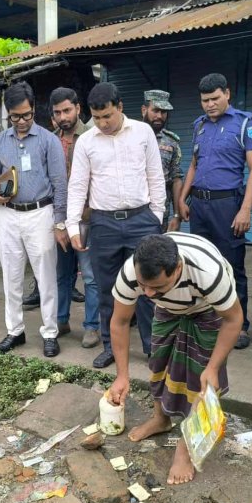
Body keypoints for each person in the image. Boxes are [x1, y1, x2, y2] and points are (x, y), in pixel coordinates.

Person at [107, 233, 242, 484]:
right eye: (143, 285)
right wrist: (122, 376)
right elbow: (120, 321)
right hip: (170, 308)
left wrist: (213, 367)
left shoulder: (208, 273)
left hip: (208, 309)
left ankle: (186, 447)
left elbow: (234, 320)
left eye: (156, 287)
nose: (147, 293)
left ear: (177, 268)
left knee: (200, 379)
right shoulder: (131, 272)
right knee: (159, 362)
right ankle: (161, 419)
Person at [67, 82, 166, 368]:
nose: (102, 123)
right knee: (108, 290)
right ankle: (112, 347)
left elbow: (155, 176)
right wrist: (73, 226)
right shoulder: (86, 141)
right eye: (96, 118)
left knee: (149, 289)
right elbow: (78, 186)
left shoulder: (143, 132)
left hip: (141, 221)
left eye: (107, 116)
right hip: (104, 224)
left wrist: (156, 218)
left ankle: (152, 349)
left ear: (120, 107)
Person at [177, 73, 252, 350]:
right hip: (199, 206)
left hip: (228, 206)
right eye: (205, 100)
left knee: (232, 266)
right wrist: (182, 199)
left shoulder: (245, 123)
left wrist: (246, 209)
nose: (210, 105)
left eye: (215, 98)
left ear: (227, 94)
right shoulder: (199, 125)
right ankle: (207, 319)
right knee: (200, 265)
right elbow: (194, 164)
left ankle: (239, 325)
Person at [0, 82, 67, 357]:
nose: (21, 121)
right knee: (10, 275)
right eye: (15, 116)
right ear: (7, 113)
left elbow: (60, 184)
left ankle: (50, 332)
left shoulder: (48, 140)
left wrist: (59, 222)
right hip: (8, 215)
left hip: (40, 214)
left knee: (45, 276)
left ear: (34, 110)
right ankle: (15, 331)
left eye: (26, 115)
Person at [51, 86, 100, 348]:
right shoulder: (50, 140)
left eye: (67, 110)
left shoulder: (93, 137)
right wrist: (59, 222)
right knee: (62, 274)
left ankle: (91, 326)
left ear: (78, 109)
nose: (63, 116)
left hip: (87, 217)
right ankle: (61, 320)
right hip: (60, 217)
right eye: (58, 112)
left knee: (90, 276)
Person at [141, 90, 183, 233]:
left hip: (160, 217)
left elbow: (176, 179)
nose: (159, 116)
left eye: (163, 112)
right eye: (155, 110)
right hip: (133, 214)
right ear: (144, 110)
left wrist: (177, 216)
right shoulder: (129, 137)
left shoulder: (171, 142)